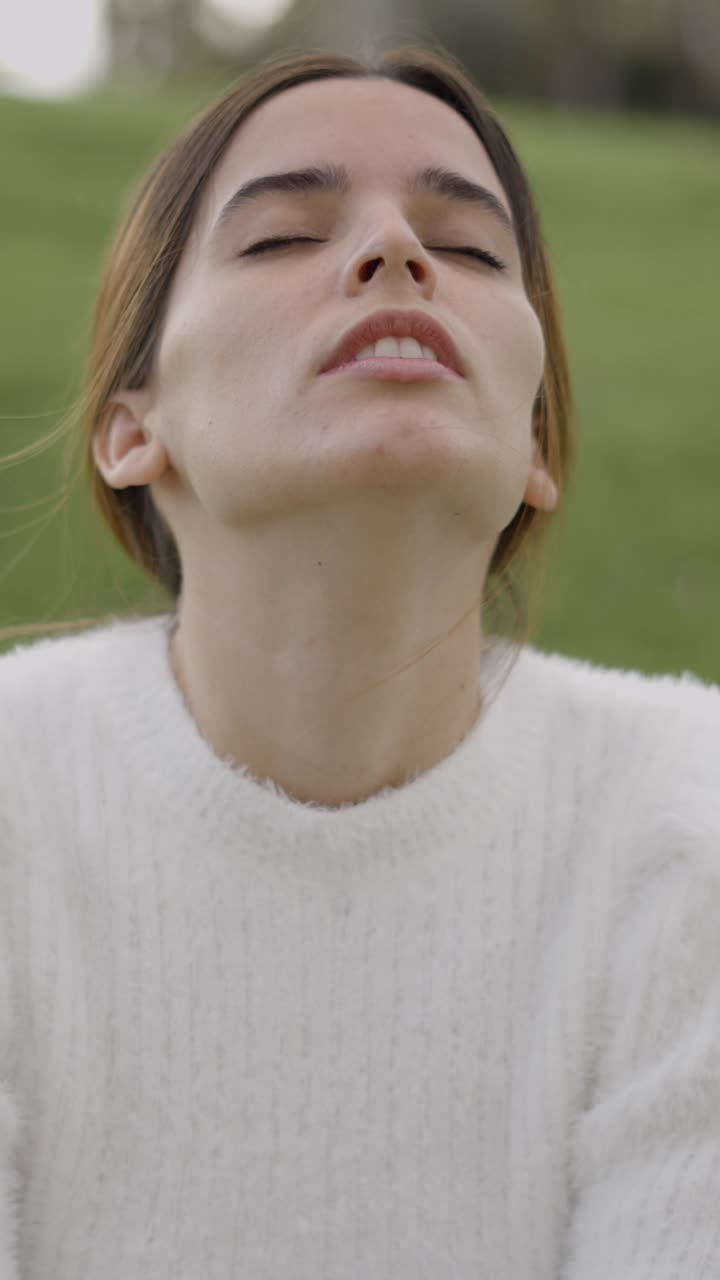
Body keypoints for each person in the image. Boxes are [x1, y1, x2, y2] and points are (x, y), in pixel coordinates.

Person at [0, 42, 718, 1280]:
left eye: (472, 248)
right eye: (283, 235)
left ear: (537, 448)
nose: (397, 250)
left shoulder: (690, 816)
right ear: (130, 430)